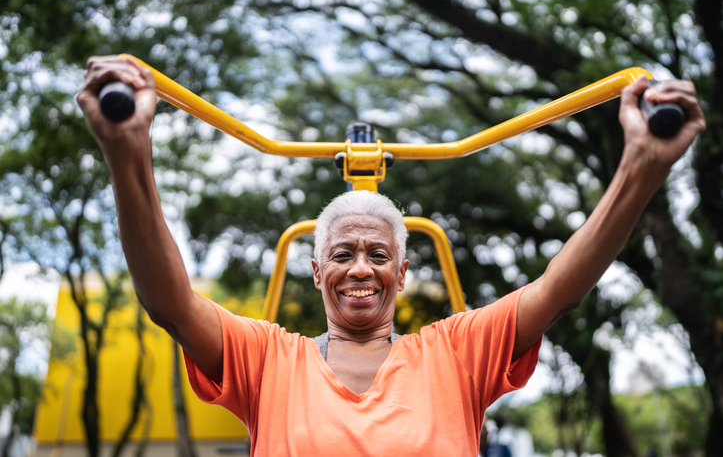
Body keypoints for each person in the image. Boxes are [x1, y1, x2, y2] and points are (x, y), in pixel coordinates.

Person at [76, 56, 706, 456]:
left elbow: (558, 288)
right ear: (315, 269)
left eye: (378, 254)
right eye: (342, 253)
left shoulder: (455, 354)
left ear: (402, 273)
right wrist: (129, 154)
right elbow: (170, 304)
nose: (360, 267)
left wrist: (641, 168)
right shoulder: (268, 360)